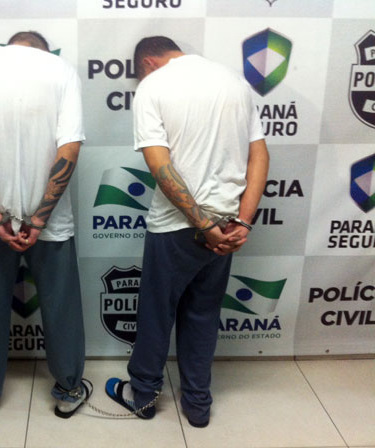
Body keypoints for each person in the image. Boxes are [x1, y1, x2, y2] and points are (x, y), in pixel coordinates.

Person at [105, 36, 269, 427]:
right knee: (203, 314)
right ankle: (197, 405)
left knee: (156, 313)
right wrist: (242, 221)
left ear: (147, 63)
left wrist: (202, 224)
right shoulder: (234, 81)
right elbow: (259, 155)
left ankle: (144, 397)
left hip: (176, 226)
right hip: (227, 225)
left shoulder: (153, 87)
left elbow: (159, 165)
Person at [0, 31, 90, 419]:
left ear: (10, 44)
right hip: (49, 219)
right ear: (42, 49)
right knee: (61, 307)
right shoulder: (60, 70)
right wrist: (39, 218)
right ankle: (68, 390)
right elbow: (70, 147)